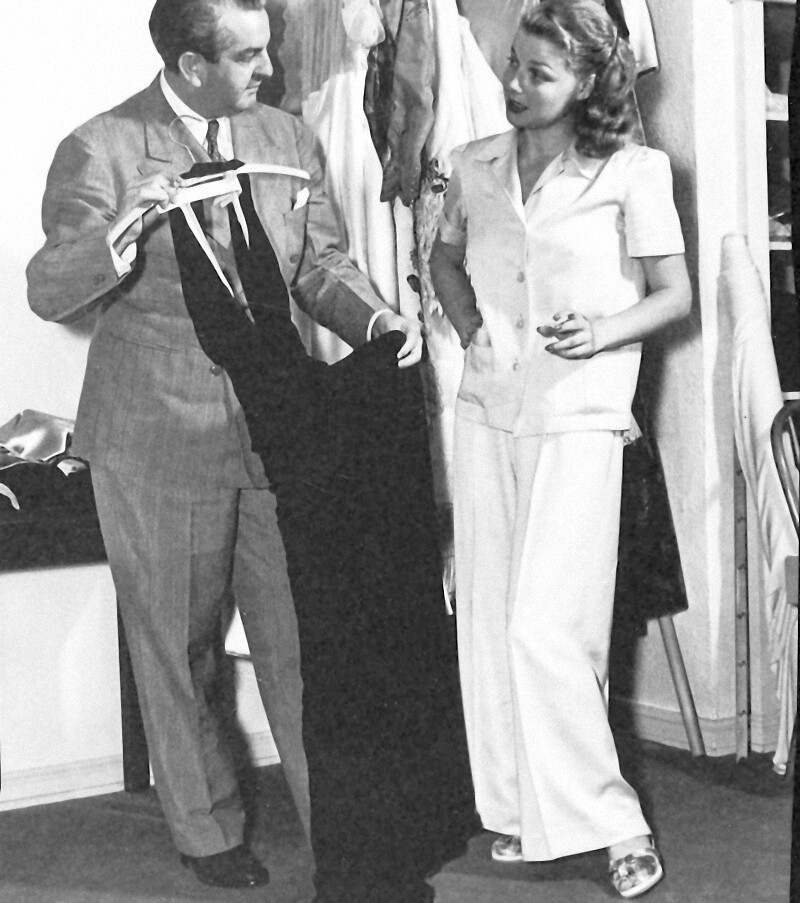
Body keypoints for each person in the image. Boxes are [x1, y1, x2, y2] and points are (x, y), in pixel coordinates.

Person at [26, 0, 424, 891]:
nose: (269, 71)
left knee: (306, 639)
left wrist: (376, 320)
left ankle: (344, 827)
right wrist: (118, 235)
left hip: (278, 427)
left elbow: (319, 264)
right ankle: (206, 832)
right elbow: (49, 287)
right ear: (190, 64)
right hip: (155, 434)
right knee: (180, 646)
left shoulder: (285, 136)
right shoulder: (102, 147)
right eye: (248, 56)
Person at [429, 0, 692, 898]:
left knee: (548, 627)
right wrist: (470, 325)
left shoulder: (634, 170)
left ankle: (616, 824)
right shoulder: (474, 163)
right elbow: (445, 260)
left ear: (585, 82)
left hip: (580, 414)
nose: (514, 84)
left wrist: (604, 330)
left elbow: (673, 294)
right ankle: (517, 809)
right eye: (514, 64)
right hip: (487, 410)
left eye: (538, 73)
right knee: (489, 620)